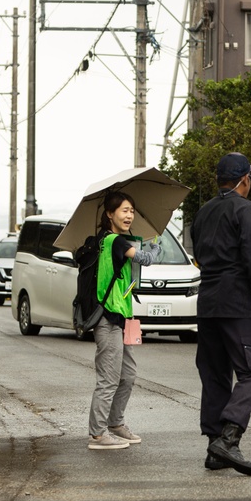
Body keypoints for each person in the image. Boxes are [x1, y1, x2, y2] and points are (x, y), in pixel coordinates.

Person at [190, 152, 251, 476]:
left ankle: (214, 448)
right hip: (236, 302)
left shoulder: (203, 213)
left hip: (208, 302)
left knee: (215, 373)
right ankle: (229, 439)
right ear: (244, 179)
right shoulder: (246, 210)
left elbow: (200, 255)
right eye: (250, 178)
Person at [87, 192, 161, 450]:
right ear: (110, 214)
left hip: (124, 317)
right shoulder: (114, 241)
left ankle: (115, 424)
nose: (129, 215)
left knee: (127, 375)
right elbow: (145, 259)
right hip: (108, 319)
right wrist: (154, 247)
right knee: (108, 378)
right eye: (124, 210)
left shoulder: (114, 241)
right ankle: (97, 434)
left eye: (131, 211)